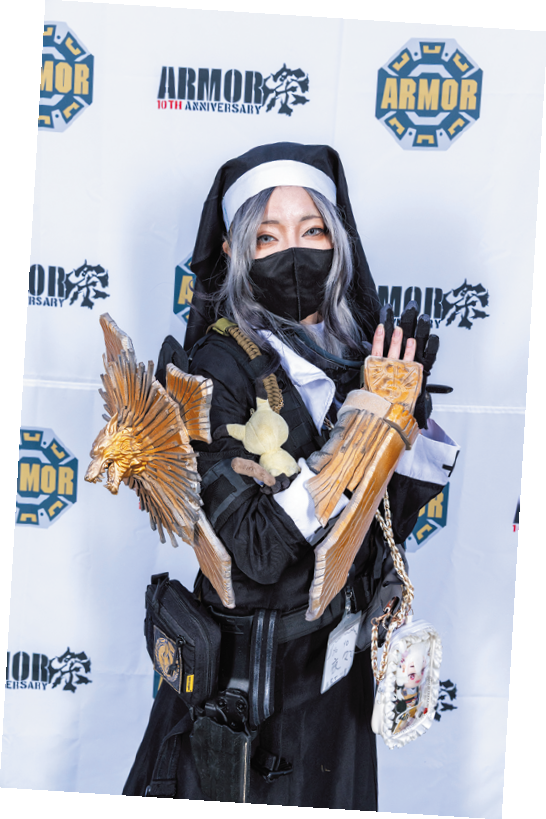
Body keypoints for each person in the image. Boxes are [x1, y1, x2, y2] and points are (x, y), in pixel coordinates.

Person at [123, 142, 459, 808]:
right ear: (234, 251)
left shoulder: (360, 354)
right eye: (268, 237)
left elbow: (385, 523)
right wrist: (365, 430)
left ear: (339, 240)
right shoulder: (211, 369)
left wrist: (406, 423)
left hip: (337, 682)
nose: (294, 253)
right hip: (248, 687)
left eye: (312, 231)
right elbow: (254, 550)